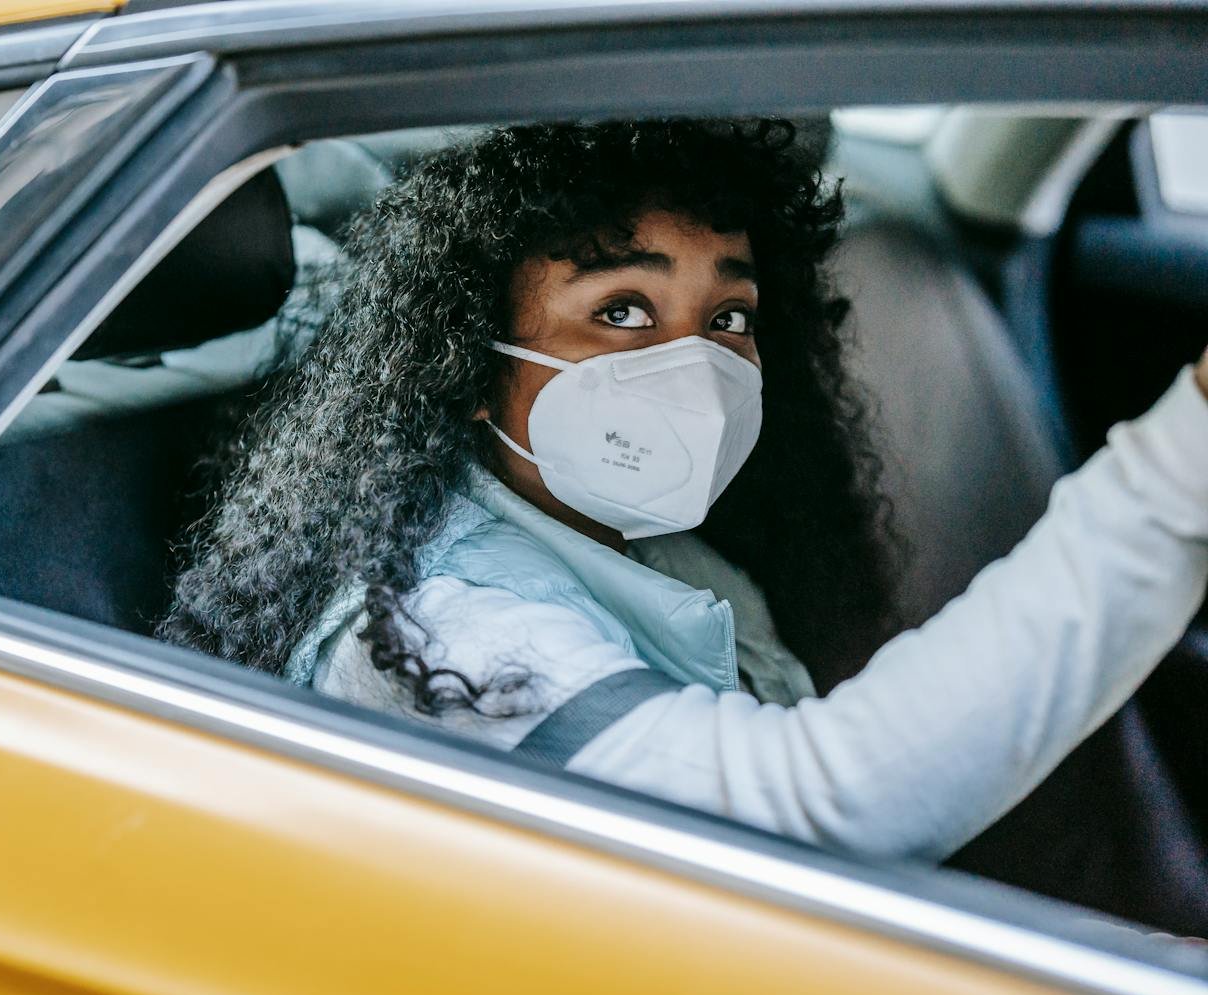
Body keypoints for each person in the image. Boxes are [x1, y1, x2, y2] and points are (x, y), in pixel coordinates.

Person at [160, 119, 1208, 861]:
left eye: (727, 319)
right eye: (622, 310)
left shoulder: (662, 553)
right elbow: (814, 810)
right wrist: (1175, 463)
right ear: (468, 364)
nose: (694, 367)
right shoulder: (438, 640)